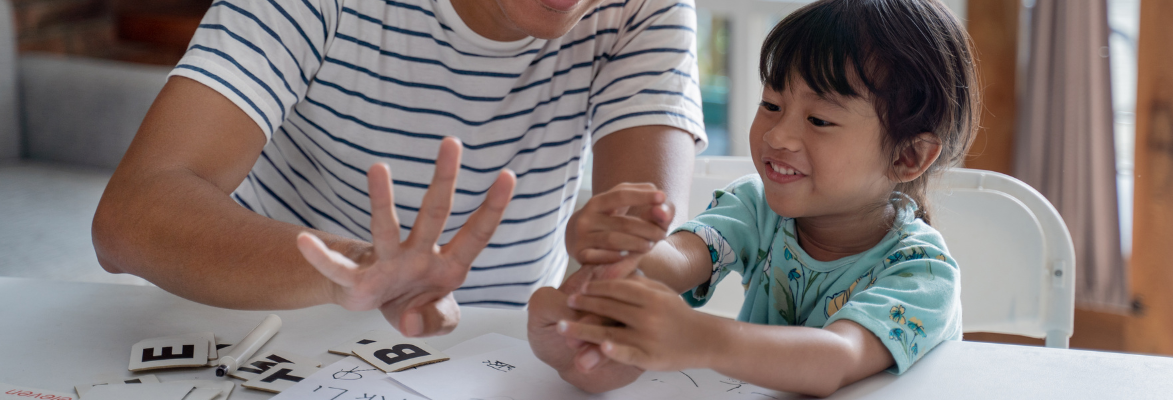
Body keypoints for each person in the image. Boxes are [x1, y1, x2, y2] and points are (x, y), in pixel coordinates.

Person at [91, 0, 705, 338]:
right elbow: (133, 213)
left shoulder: (643, 9)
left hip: (502, 357)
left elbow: (637, 253)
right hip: (277, 336)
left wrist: (608, 307)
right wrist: (356, 271)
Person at [528, 0, 980, 395]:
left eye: (819, 120)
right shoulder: (756, 206)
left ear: (908, 155)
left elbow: (836, 358)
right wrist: (618, 249)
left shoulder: (923, 274)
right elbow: (677, 260)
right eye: (771, 105)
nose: (778, 135)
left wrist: (701, 338)